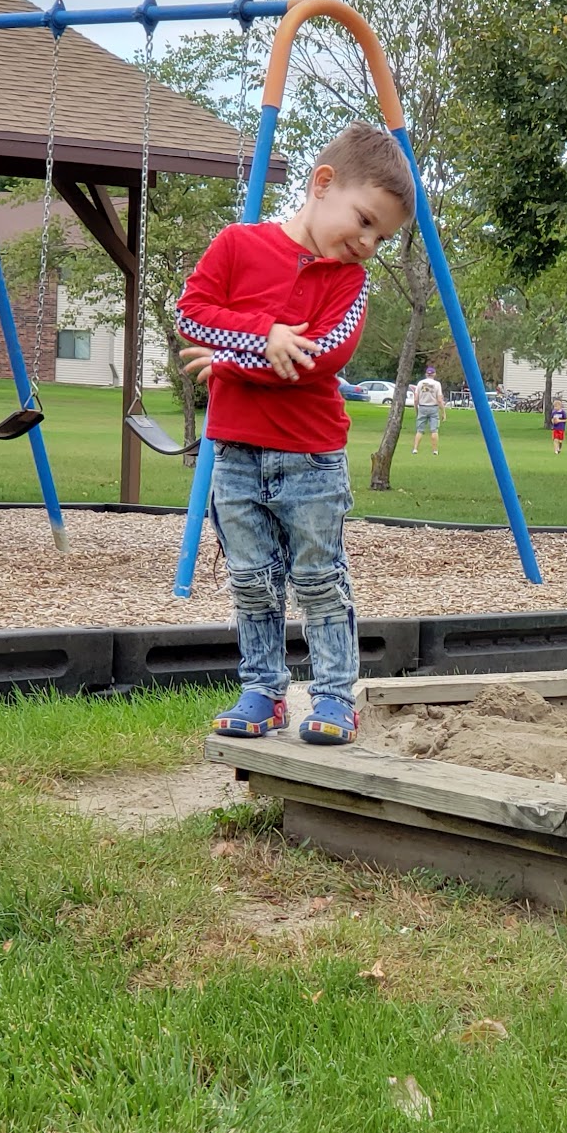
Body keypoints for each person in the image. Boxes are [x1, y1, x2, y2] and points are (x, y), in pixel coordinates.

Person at [175, 120, 415, 745]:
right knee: (250, 579)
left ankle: (334, 696)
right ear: (322, 184)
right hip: (235, 453)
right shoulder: (236, 245)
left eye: (381, 236)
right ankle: (264, 689)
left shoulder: (350, 282)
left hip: (310, 459)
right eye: (364, 221)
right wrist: (265, 336)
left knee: (318, 580)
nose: (368, 243)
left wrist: (229, 359)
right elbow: (191, 314)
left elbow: (321, 356)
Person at [412, 364, 446, 453]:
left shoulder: (420, 383)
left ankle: (415, 449)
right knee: (434, 430)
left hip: (422, 407)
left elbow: (416, 399)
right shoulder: (437, 384)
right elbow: (439, 399)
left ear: (426, 374)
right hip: (433, 408)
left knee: (419, 430)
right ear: (434, 374)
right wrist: (443, 412)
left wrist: (416, 409)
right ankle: (435, 450)